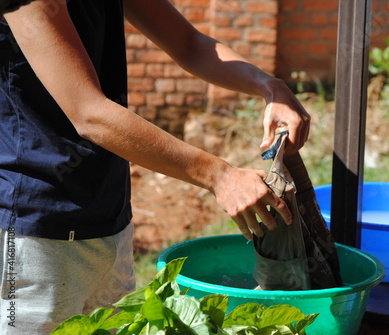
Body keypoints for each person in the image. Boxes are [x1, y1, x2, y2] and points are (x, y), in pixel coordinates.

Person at [0, 0, 310, 333]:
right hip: (37, 231)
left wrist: (269, 86)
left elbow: (188, 44)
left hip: (109, 216)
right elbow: (89, 113)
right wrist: (220, 176)